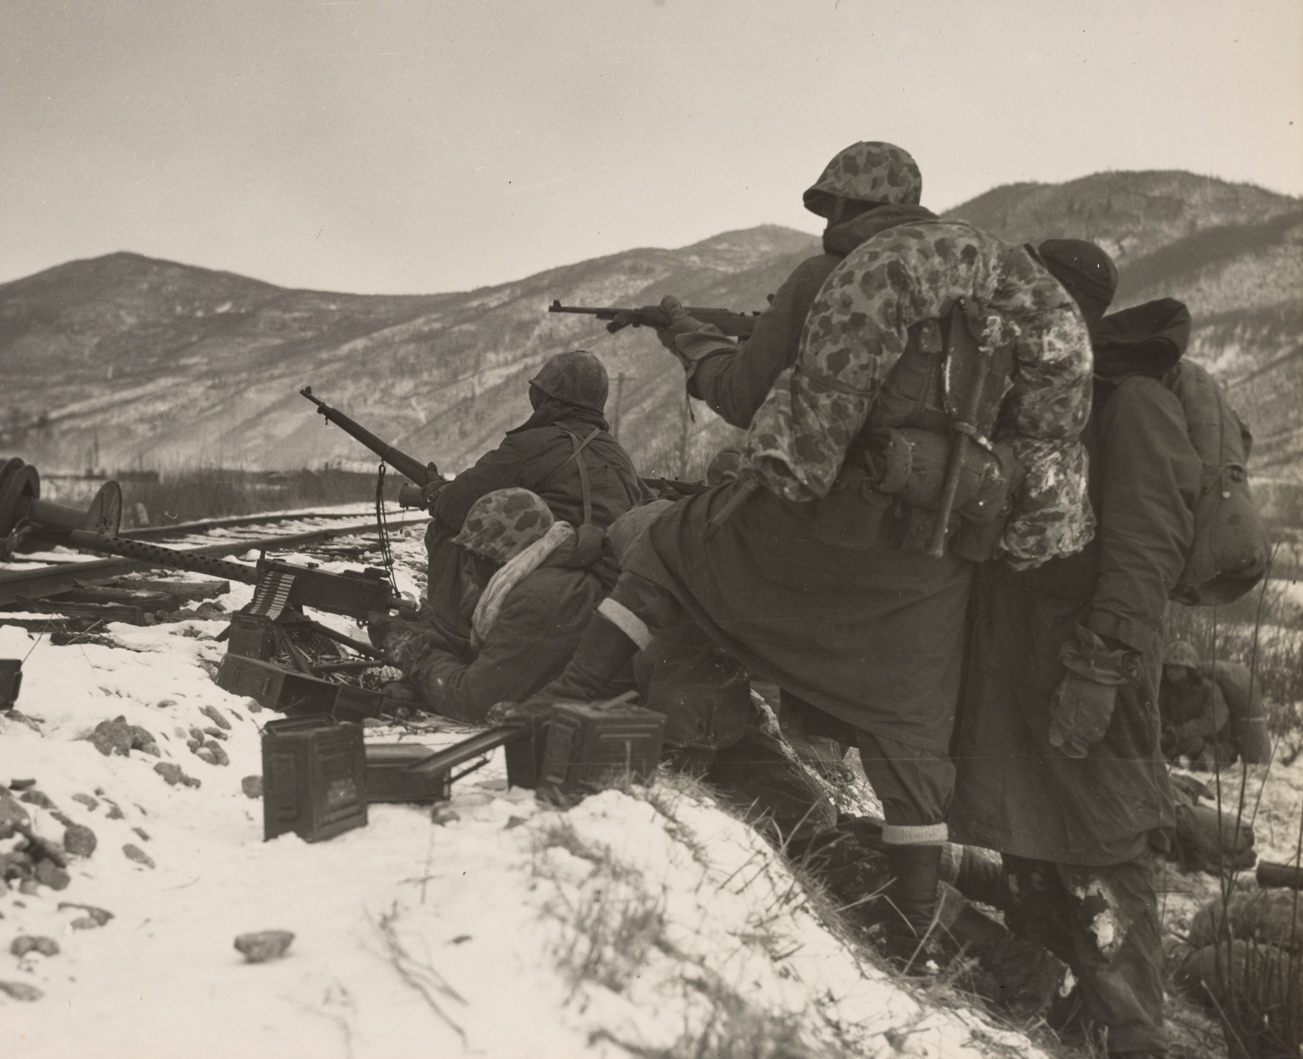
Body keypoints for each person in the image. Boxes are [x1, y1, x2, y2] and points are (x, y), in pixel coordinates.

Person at [492, 141, 1098, 963]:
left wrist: (691, 340)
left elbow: (742, 393)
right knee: (912, 739)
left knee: (671, 545)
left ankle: (565, 695)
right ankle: (915, 928)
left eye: (830, 210)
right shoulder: (998, 299)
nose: (825, 227)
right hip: (931, 562)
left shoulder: (832, 279)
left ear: (845, 206)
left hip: (820, 532)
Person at [947, 245, 1197, 1059]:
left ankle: (1134, 1035)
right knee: (1033, 847)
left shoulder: (1132, 405)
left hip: (1090, 672)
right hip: (1024, 669)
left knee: (1099, 852)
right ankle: (1071, 1024)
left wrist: (1099, 669)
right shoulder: (1043, 393)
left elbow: (1145, 554)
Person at [410, 349, 649, 651]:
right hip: (608, 586)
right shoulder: (619, 455)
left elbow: (455, 506)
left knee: (446, 531)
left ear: (547, 400)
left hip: (544, 584)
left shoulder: (528, 445)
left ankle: (450, 639)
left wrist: (437, 493)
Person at [367, 488, 627, 723]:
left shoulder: (539, 597)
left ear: (505, 555)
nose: (468, 567)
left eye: (478, 555)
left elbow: (473, 702)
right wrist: (428, 632)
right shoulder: (547, 575)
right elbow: (497, 660)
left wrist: (412, 649)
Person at [1159, 639, 1272, 768]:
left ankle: (1192, 762)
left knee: (1197, 750)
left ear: (1189, 669)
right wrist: (1164, 733)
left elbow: (1210, 722)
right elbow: (1162, 717)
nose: (1171, 672)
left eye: (1177, 668)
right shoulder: (1168, 691)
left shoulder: (1209, 689)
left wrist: (1176, 733)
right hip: (1186, 740)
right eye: (1169, 667)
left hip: (1218, 746)